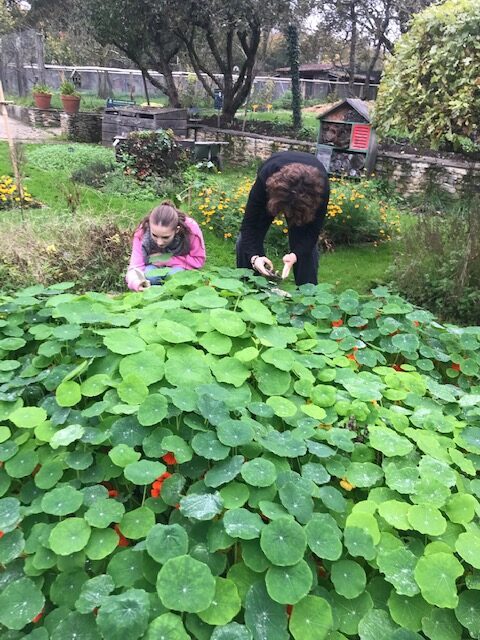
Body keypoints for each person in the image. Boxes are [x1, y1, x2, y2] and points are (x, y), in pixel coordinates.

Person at [236, 150, 330, 286]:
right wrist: (254, 257)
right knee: (245, 241)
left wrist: (295, 255)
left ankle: (309, 296)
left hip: (308, 196)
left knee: (305, 244)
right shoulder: (265, 181)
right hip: (273, 187)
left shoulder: (320, 191)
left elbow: (312, 233)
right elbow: (249, 227)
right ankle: (247, 287)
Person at [126, 200, 206, 291]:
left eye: (165, 237)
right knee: (150, 276)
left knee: (174, 276)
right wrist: (137, 283)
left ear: (177, 230)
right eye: (154, 236)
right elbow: (135, 266)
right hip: (153, 267)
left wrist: (166, 259)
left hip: (181, 267)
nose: (159, 242)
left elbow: (198, 260)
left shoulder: (191, 229)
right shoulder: (142, 232)